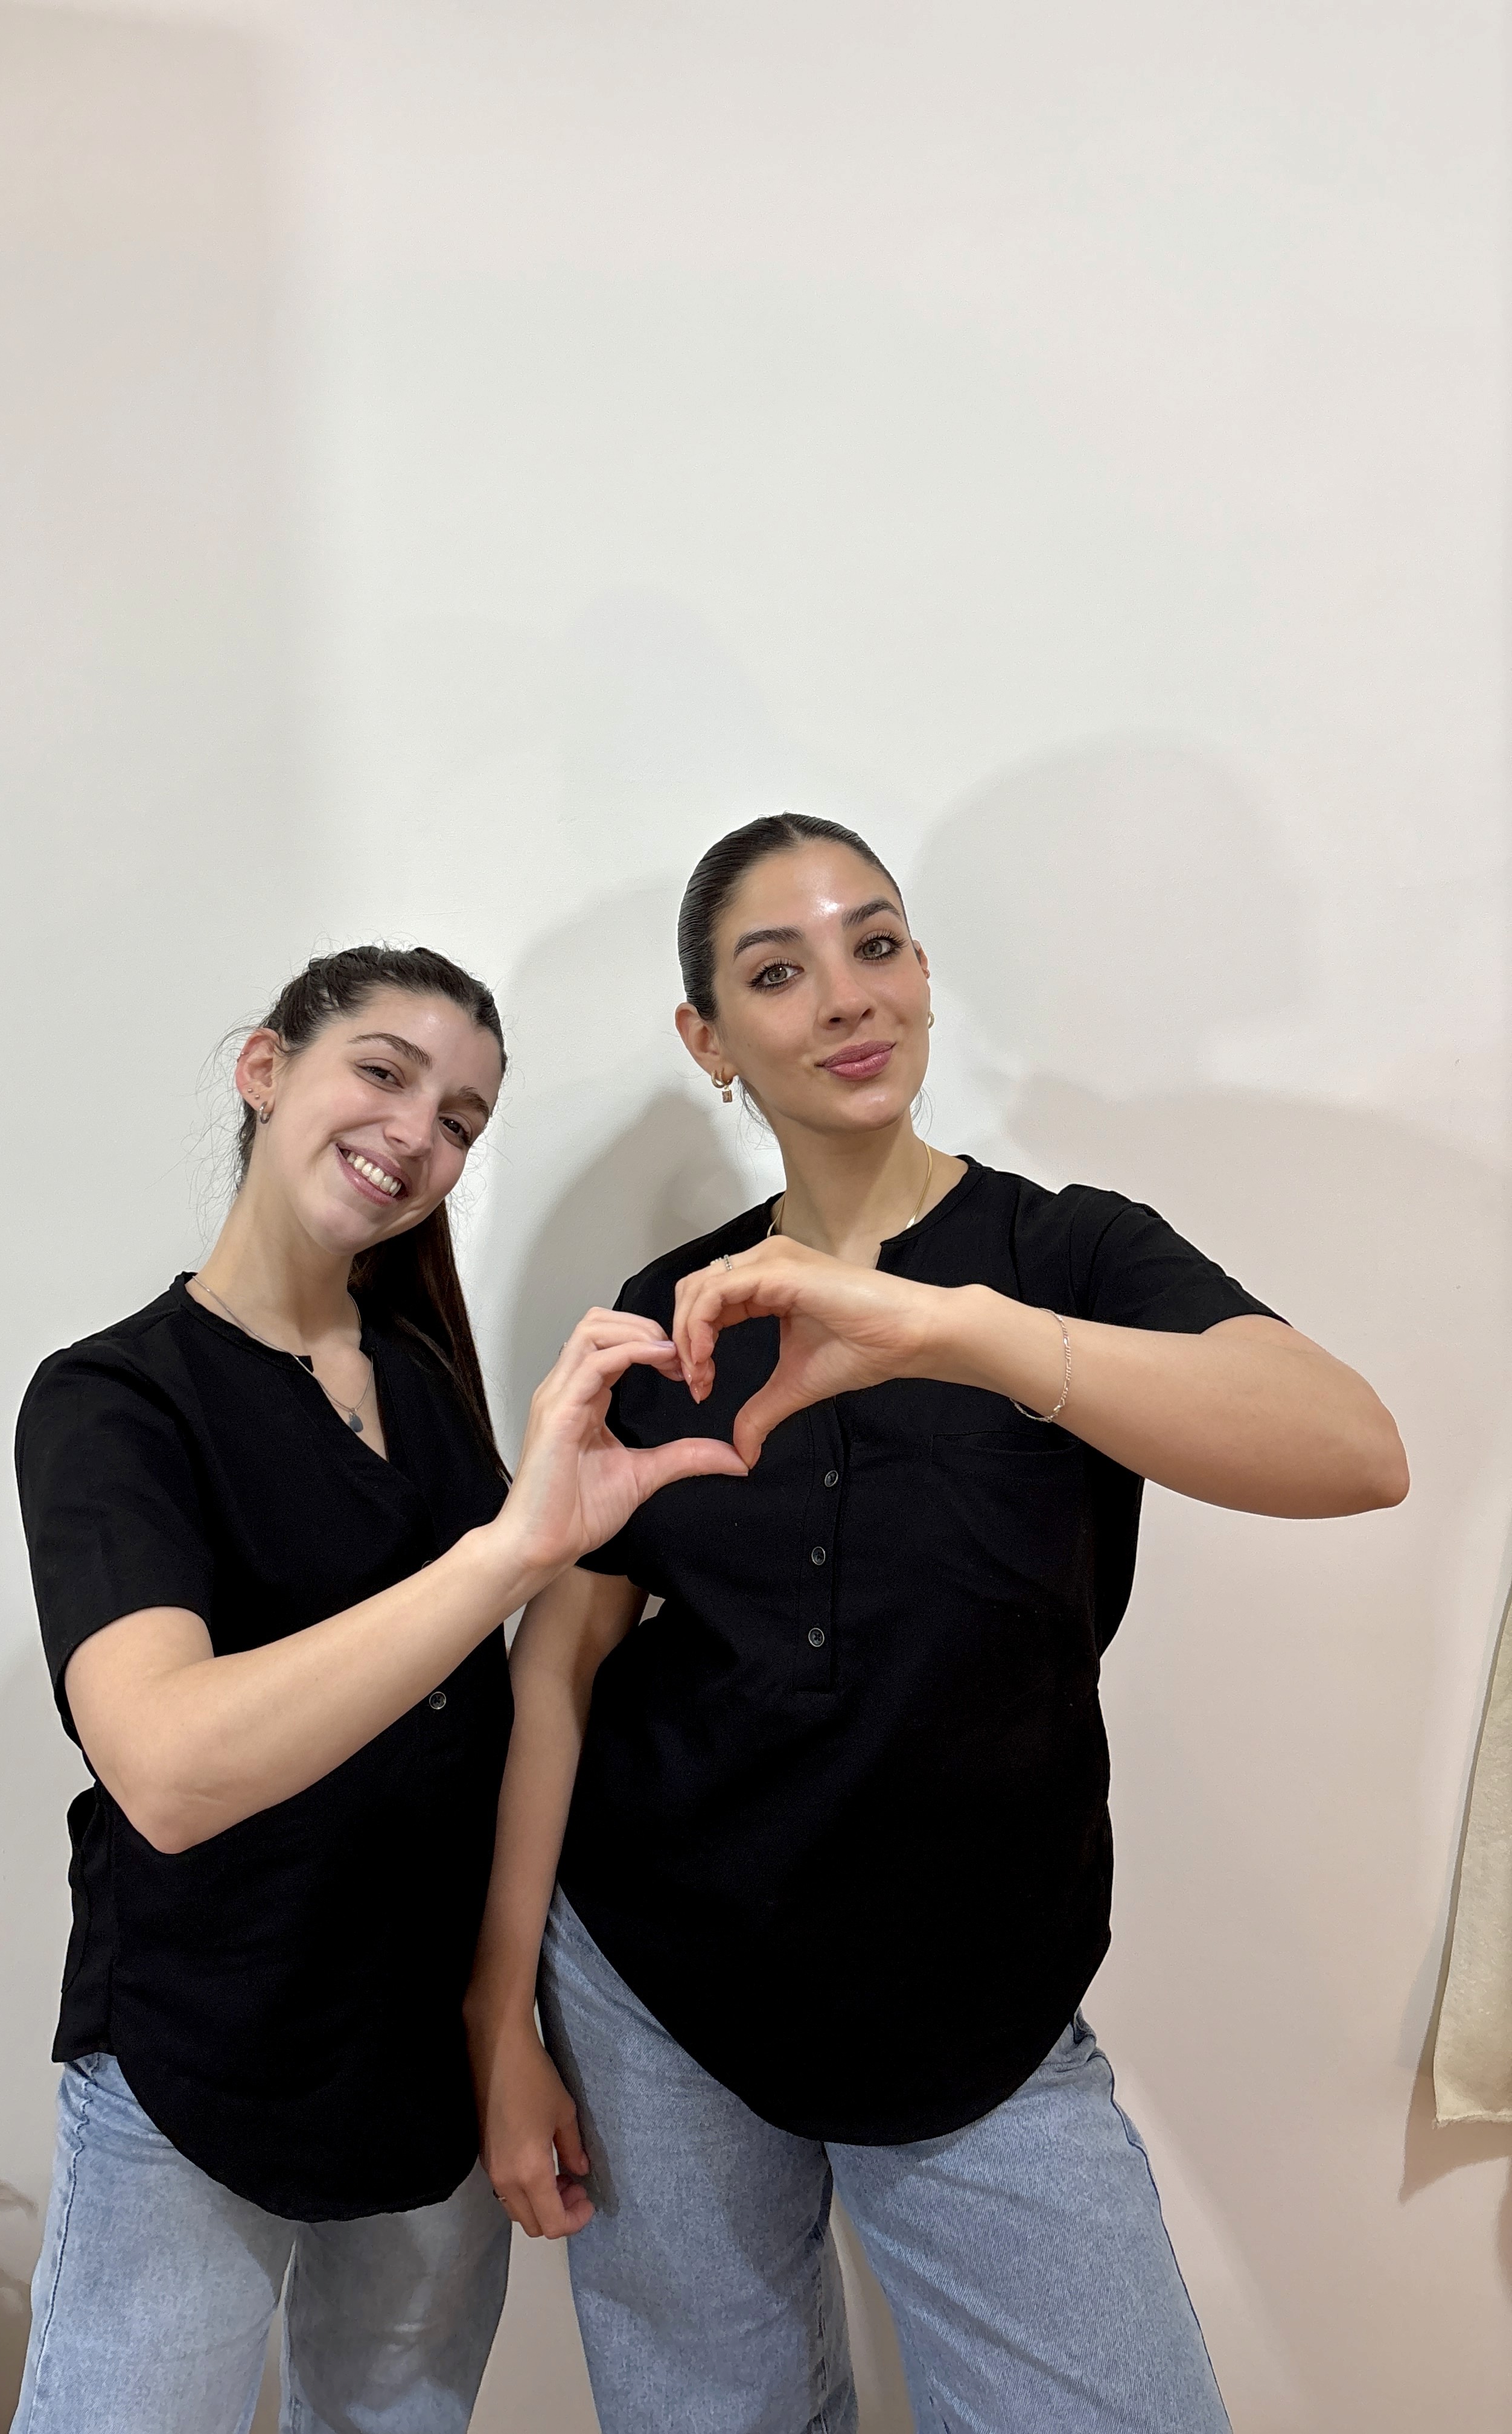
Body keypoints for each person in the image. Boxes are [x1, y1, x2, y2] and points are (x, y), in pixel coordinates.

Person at [464, 819, 1409, 2434]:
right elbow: (559, 1662)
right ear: (708, 1040)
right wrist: (498, 2017)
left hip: (974, 1991)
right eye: (780, 971)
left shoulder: (1070, 1256)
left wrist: (959, 1334)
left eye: (877, 944)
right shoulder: (672, 1306)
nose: (847, 996)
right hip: (658, 1986)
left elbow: (1354, 1451)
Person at [10, 944, 742, 2434]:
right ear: (266, 1069)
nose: (422, 1134)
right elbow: (169, 1766)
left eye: (464, 1118)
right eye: (386, 1075)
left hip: (420, 2071)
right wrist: (507, 1552)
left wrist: (503, 2023)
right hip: (195, 2059)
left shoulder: (420, 1381)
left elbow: (500, 1714)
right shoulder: (115, 1401)